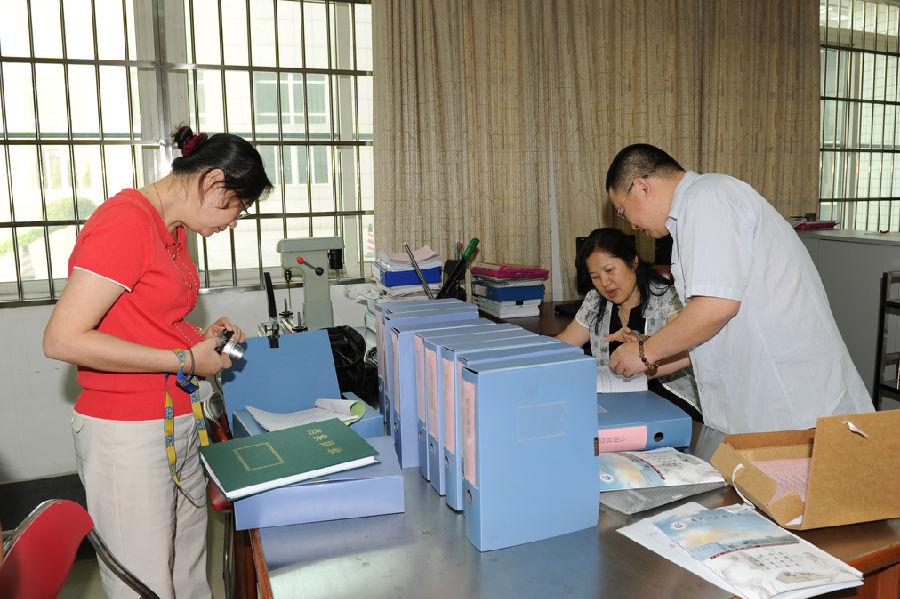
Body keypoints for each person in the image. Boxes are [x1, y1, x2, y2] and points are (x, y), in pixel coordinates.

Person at [43, 125, 273, 598]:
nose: (234, 222)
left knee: (187, 572)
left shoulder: (174, 229)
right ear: (212, 181)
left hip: (174, 418)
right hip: (127, 431)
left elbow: (146, 320)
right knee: (144, 582)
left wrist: (199, 340)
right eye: (237, 206)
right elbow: (63, 339)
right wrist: (185, 358)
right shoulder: (125, 222)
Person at [604, 143, 872, 438]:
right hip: (762, 406)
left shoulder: (709, 197)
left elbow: (715, 308)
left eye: (622, 212)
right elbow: (708, 332)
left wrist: (645, 352)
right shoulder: (693, 213)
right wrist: (649, 360)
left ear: (642, 187)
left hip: (793, 403)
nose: (631, 225)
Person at [556, 227, 701, 420]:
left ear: (633, 262)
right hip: (615, 400)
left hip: (667, 398)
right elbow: (564, 345)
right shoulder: (595, 301)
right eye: (595, 277)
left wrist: (643, 345)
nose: (604, 283)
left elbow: (687, 351)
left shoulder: (668, 298)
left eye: (609, 270)